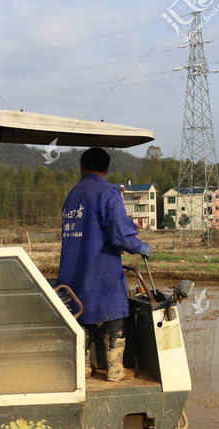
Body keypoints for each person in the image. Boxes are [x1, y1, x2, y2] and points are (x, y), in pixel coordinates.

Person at [56, 147, 151, 382]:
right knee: (115, 310)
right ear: (106, 170)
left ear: (82, 167)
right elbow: (119, 232)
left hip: (72, 268)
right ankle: (116, 369)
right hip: (102, 266)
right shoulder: (107, 192)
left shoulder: (72, 194)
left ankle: (84, 368)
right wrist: (139, 246)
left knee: (79, 311)